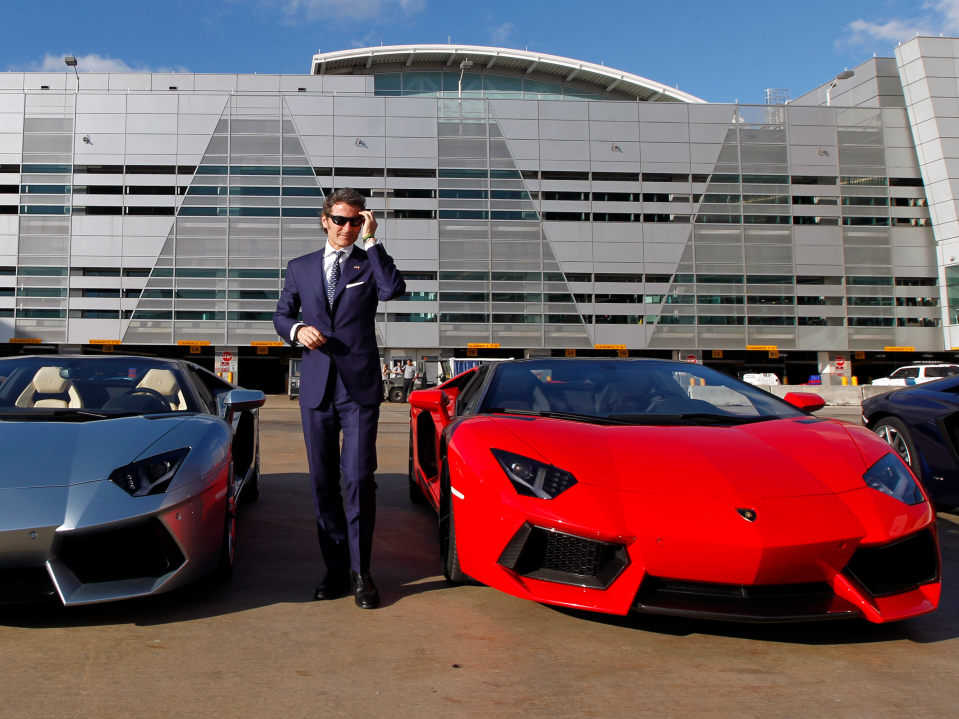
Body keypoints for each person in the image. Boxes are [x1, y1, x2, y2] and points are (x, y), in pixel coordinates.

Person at [273, 188, 405, 609]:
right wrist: (295, 331)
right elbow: (281, 314)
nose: (347, 228)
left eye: (355, 221)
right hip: (316, 388)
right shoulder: (300, 267)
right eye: (340, 220)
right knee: (323, 482)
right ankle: (334, 569)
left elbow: (392, 290)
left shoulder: (369, 262)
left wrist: (373, 240)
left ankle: (361, 572)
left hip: (359, 389)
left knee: (359, 478)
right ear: (324, 219)